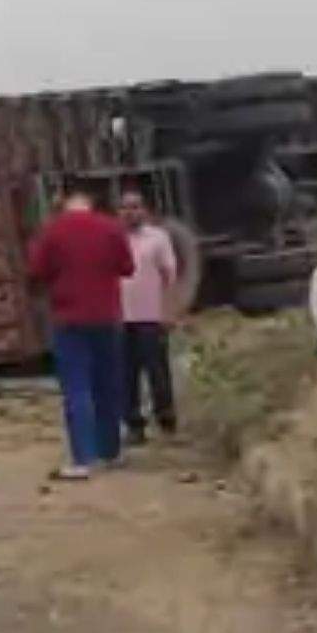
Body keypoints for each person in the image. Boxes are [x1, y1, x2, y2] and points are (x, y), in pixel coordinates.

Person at [27, 185, 134, 480]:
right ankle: (110, 451)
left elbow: (36, 271)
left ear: (63, 201)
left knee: (77, 388)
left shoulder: (52, 231)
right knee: (108, 385)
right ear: (91, 200)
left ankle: (82, 459)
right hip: (107, 317)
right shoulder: (111, 228)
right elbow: (127, 267)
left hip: (69, 318)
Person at [117, 191, 180, 445]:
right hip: (121, 317)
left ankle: (166, 419)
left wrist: (169, 310)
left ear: (144, 210)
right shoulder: (115, 239)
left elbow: (169, 276)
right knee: (126, 374)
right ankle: (134, 424)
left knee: (158, 371)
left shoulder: (158, 238)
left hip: (151, 315)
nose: (130, 212)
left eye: (135, 207)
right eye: (125, 208)